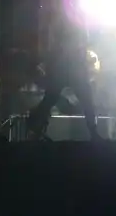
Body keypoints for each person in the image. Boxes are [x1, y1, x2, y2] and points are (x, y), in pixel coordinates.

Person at [26, 11, 101, 141]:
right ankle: (36, 127)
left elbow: (79, 46)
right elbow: (63, 46)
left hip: (70, 69)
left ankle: (36, 128)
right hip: (67, 69)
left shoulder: (74, 25)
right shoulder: (68, 25)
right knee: (55, 100)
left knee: (82, 101)